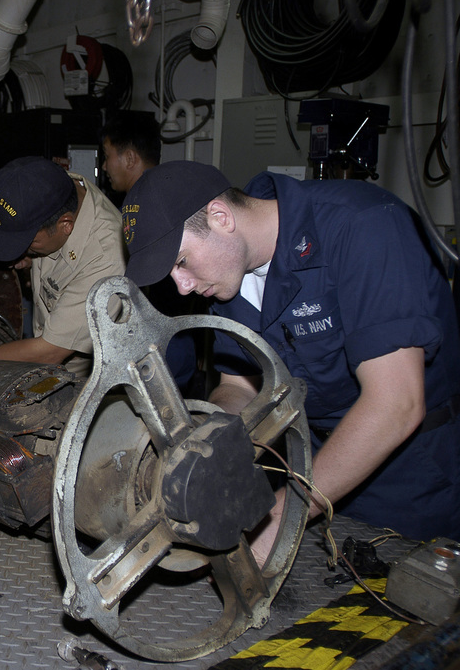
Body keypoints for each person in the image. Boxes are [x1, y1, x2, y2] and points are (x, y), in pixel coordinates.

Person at [121, 160, 460, 559]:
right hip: (317, 464)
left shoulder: (364, 226)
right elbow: (240, 387)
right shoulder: (228, 276)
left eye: (180, 262)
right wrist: (207, 450)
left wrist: (286, 513)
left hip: (411, 479)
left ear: (220, 216)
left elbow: (396, 405)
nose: (183, 287)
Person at [0, 156, 126, 378]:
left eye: (27, 243)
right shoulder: (47, 188)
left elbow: (50, 352)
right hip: (44, 348)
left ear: (66, 225)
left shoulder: (106, 259)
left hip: (86, 375)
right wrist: (31, 258)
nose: (23, 251)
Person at [101, 116, 201, 395]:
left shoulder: (145, 205)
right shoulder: (170, 189)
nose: (106, 166)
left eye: (108, 156)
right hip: (180, 336)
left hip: (163, 341)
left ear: (130, 157)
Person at [100, 113, 162, 195]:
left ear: (130, 159)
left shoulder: (140, 204)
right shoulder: (169, 197)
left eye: (107, 156)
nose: (104, 167)